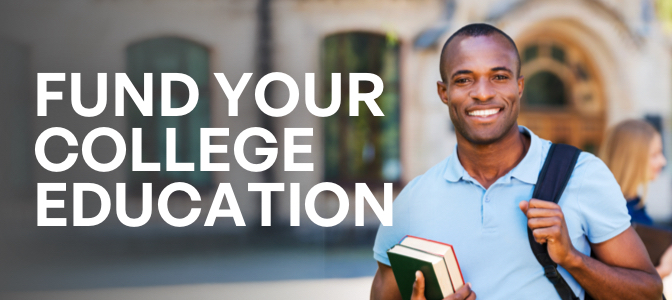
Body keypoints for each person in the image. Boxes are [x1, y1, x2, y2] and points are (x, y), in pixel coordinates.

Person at [370, 23, 662, 300]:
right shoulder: (413, 202)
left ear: (519, 86)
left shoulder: (583, 175)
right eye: (463, 80)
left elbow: (648, 291)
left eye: (499, 77)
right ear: (444, 92)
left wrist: (573, 259)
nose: (483, 93)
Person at [599, 119, 671, 277]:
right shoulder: (614, 214)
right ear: (631, 159)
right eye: (655, 155)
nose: (663, 161)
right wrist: (664, 269)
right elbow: (619, 284)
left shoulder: (634, 204)